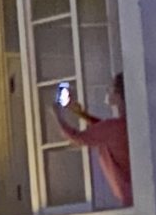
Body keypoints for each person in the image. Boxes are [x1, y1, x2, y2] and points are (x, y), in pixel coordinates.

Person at [56, 74, 132, 207]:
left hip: (130, 197)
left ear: (119, 94)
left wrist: (56, 112)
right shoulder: (126, 124)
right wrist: (80, 114)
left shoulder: (113, 127)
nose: (108, 91)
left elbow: (77, 138)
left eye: (111, 88)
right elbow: (102, 128)